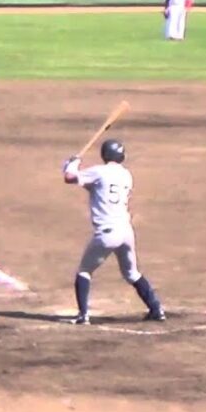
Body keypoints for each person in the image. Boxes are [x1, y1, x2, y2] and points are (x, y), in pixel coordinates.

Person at [62, 139, 166, 324]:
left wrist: (71, 166)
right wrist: (73, 169)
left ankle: (83, 315)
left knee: (84, 271)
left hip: (107, 233)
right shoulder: (126, 175)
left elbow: (70, 179)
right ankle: (156, 309)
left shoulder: (99, 172)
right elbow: (91, 185)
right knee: (132, 273)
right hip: (126, 232)